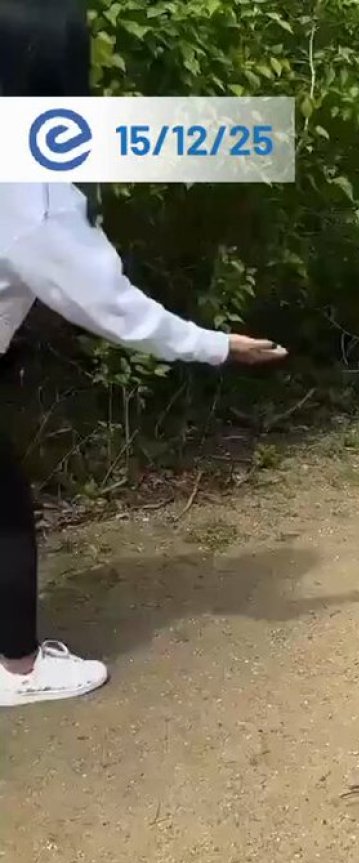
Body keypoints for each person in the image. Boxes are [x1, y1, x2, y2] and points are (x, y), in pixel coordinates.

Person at [0, 0, 287, 708]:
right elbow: (109, 304)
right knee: (2, 511)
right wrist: (217, 346)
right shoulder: (30, 188)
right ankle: (20, 669)